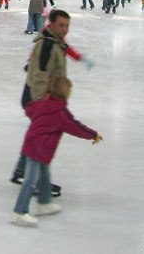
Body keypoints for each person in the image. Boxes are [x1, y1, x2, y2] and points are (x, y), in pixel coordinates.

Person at [12, 77, 101, 227]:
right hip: (38, 148)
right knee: (30, 181)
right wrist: (93, 134)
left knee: (45, 175)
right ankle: (20, 212)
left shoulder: (43, 103)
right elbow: (75, 127)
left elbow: (29, 109)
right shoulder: (60, 112)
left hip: (35, 144)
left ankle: (44, 202)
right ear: (64, 92)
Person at [11, 10, 71, 186]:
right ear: (51, 24)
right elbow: (40, 76)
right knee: (40, 139)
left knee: (38, 136)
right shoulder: (47, 44)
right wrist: (41, 105)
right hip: (37, 98)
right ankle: (33, 178)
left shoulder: (56, 42)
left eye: (67, 25)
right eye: (61, 25)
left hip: (45, 98)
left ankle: (22, 171)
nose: (65, 29)